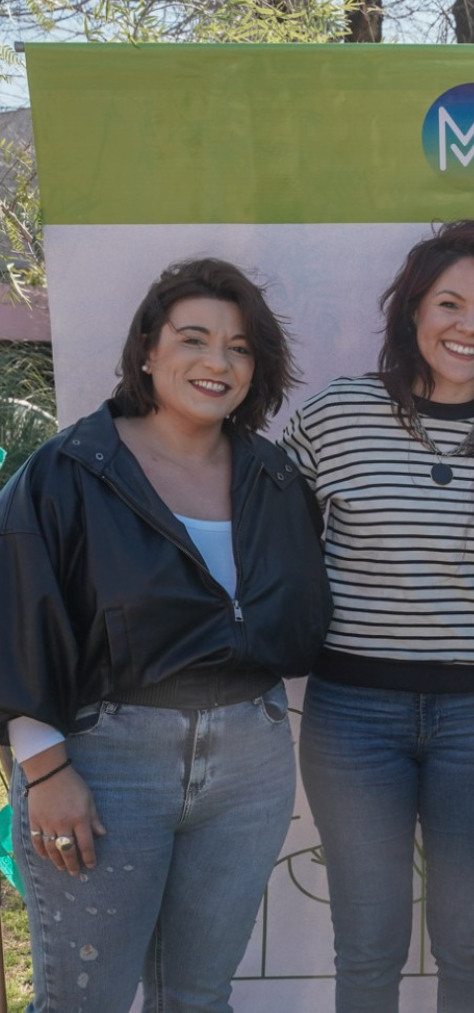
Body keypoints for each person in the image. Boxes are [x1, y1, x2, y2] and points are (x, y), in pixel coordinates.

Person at [0, 258, 333, 1013]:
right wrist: (45, 772)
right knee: (85, 1002)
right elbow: (17, 618)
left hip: (249, 764)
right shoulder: (69, 471)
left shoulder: (273, 477)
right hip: (105, 762)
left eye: (240, 347)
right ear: (147, 350)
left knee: (198, 998)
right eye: (194, 339)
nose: (218, 362)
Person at [281, 219, 474, 1013]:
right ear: (412, 312)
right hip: (353, 719)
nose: (469, 327)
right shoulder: (337, 415)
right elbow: (274, 555)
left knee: (469, 943)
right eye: (450, 304)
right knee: (369, 945)